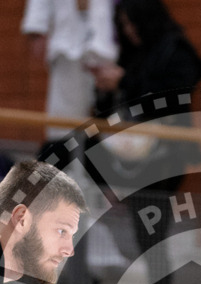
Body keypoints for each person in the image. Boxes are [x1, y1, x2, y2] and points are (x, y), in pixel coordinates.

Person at [91, 0, 201, 284]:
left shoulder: (174, 50)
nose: (129, 32)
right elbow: (110, 106)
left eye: (133, 24)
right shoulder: (134, 54)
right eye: (123, 25)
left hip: (162, 159)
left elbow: (177, 89)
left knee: (152, 239)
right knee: (146, 240)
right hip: (131, 155)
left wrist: (125, 80)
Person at [21, 0, 118, 164]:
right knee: (61, 126)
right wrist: (37, 27)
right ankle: (58, 178)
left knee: (107, 126)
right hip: (66, 49)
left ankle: (104, 180)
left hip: (104, 49)